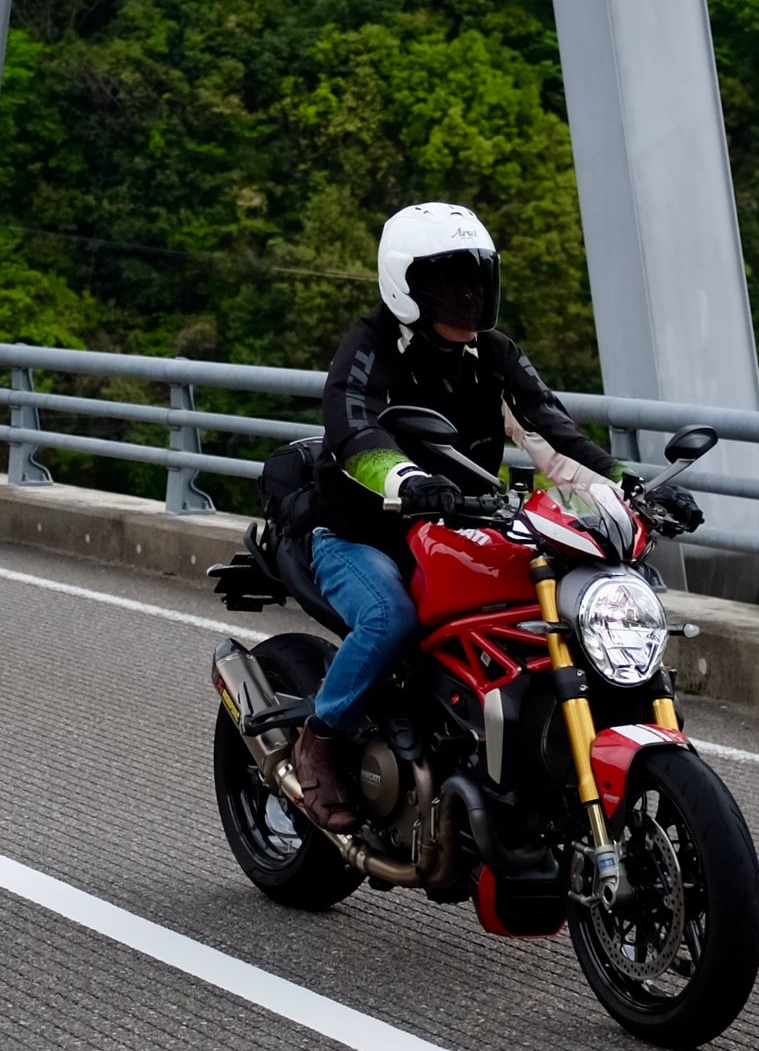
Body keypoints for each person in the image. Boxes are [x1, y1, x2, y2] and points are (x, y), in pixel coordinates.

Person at [286, 203, 702, 830]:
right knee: (388, 617)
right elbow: (354, 431)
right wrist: (410, 481)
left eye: (476, 279)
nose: (467, 296)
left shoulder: (494, 355)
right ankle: (320, 737)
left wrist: (630, 486)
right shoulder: (370, 347)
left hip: (463, 529)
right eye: (448, 282)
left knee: (545, 614)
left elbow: (552, 432)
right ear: (405, 285)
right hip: (362, 533)